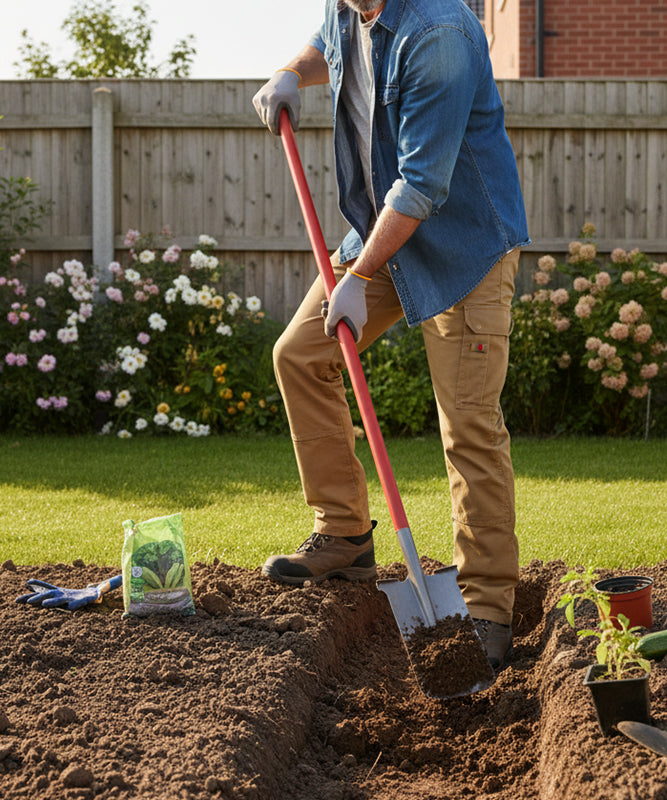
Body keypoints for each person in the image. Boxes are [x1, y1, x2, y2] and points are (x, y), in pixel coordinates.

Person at [252, 0, 529, 671]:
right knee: (300, 354)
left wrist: (357, 277)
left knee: (467, 423)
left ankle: (487, 606)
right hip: (383, 233)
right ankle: (343, 532)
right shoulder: (349, 8)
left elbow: (422, 186)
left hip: (463, 247)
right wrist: (292, 73)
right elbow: (330, 44)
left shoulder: (440, 36)